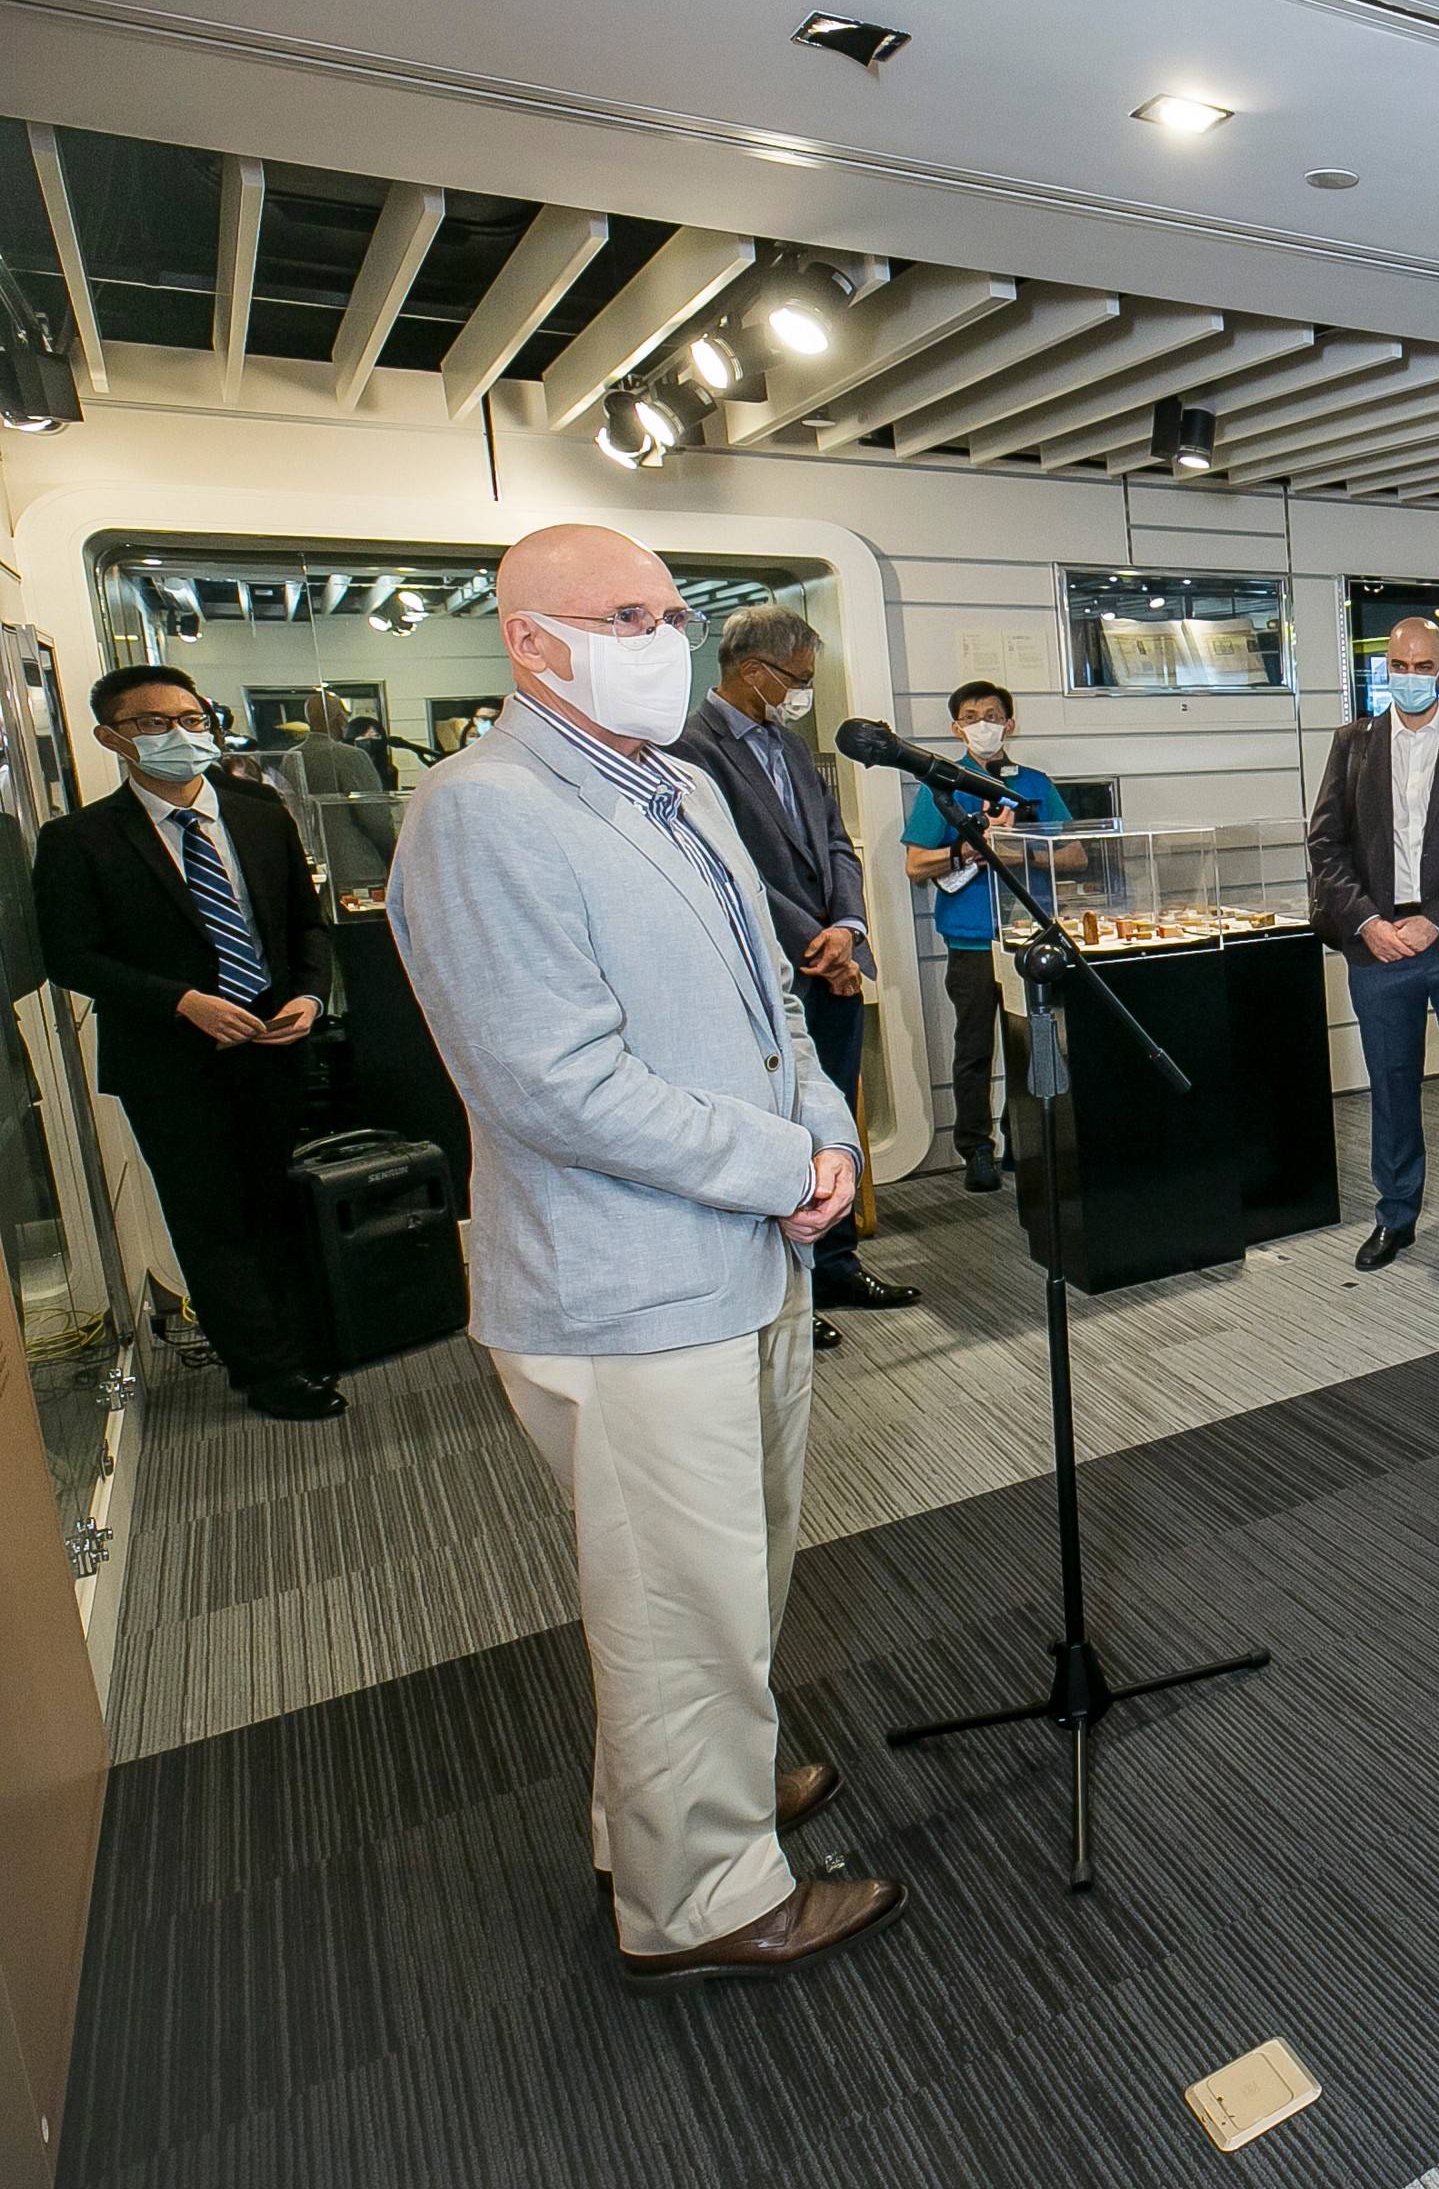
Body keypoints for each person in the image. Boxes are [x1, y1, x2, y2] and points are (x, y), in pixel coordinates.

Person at [388, 524, 899, 1985]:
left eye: (669, 611)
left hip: (743, 1258)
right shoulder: (480, 811)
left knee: (727, 1578)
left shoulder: (681, 789)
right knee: (677, 1604)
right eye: (621, 614)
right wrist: (778, 1165)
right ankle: (706, 1902)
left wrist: (830, 1140)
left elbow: (773, 1011)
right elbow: (550, 1081)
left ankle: (677, 1808)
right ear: (529, 644)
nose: (659, 635)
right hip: (624, 1284)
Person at [34, 664, 339, 1422]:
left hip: (274, 1043)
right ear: (112, 738)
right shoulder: (80, 839)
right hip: (170, 1063)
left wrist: (307, 993)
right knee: (210, 1216)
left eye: (192, 718)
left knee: (279, 1200)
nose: (180, 735)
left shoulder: (259, 812)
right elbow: (69, 955)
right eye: (153, 724)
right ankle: (266, 1371)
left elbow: (306, 921)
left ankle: (308, 1344)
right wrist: (183, 1002)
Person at [670, 606, 917, 1347]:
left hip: (831, 960)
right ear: (755, 671)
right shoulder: (688, 751)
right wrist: (816, 940)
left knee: (835, 1116)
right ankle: (793, 1288)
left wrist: (849, 928)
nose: (804, 693)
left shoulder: (790, 743)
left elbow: (836, 843)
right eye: (800, 680)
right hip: (768, 966)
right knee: (781, 1128)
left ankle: (837, 1261)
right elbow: (729, 867)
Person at [1307, 615, 1439, 1269]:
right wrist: (1368, 922)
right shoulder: (1353, 743)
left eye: (1421, 667)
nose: (1409, 678)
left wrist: (1436, 919)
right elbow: (1325, 844)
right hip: (1378, 946)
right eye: (1397, 667)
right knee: (1392, 1086)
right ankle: (1396, 1216)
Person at [901, 680, 1073, 1192]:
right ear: (956, 727)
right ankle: (975, 1148)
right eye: (972, 717)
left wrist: (1014, 849)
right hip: (971, 941)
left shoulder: (1036, 785)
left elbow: (1075, 855)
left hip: (1030, 940)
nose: (983, 725)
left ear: (1010, 724)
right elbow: (915, 864)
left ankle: (1026, 1142)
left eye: (993, 715)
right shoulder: (942, 786)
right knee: (974, 1048)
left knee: (1032, 1045)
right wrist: (970, 851)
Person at [282, 688, 397, 901]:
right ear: (339, 718)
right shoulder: (351, 756)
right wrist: (394, 855)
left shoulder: (291, 757)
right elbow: (375, 818)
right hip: (359, 867)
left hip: (317, 866)